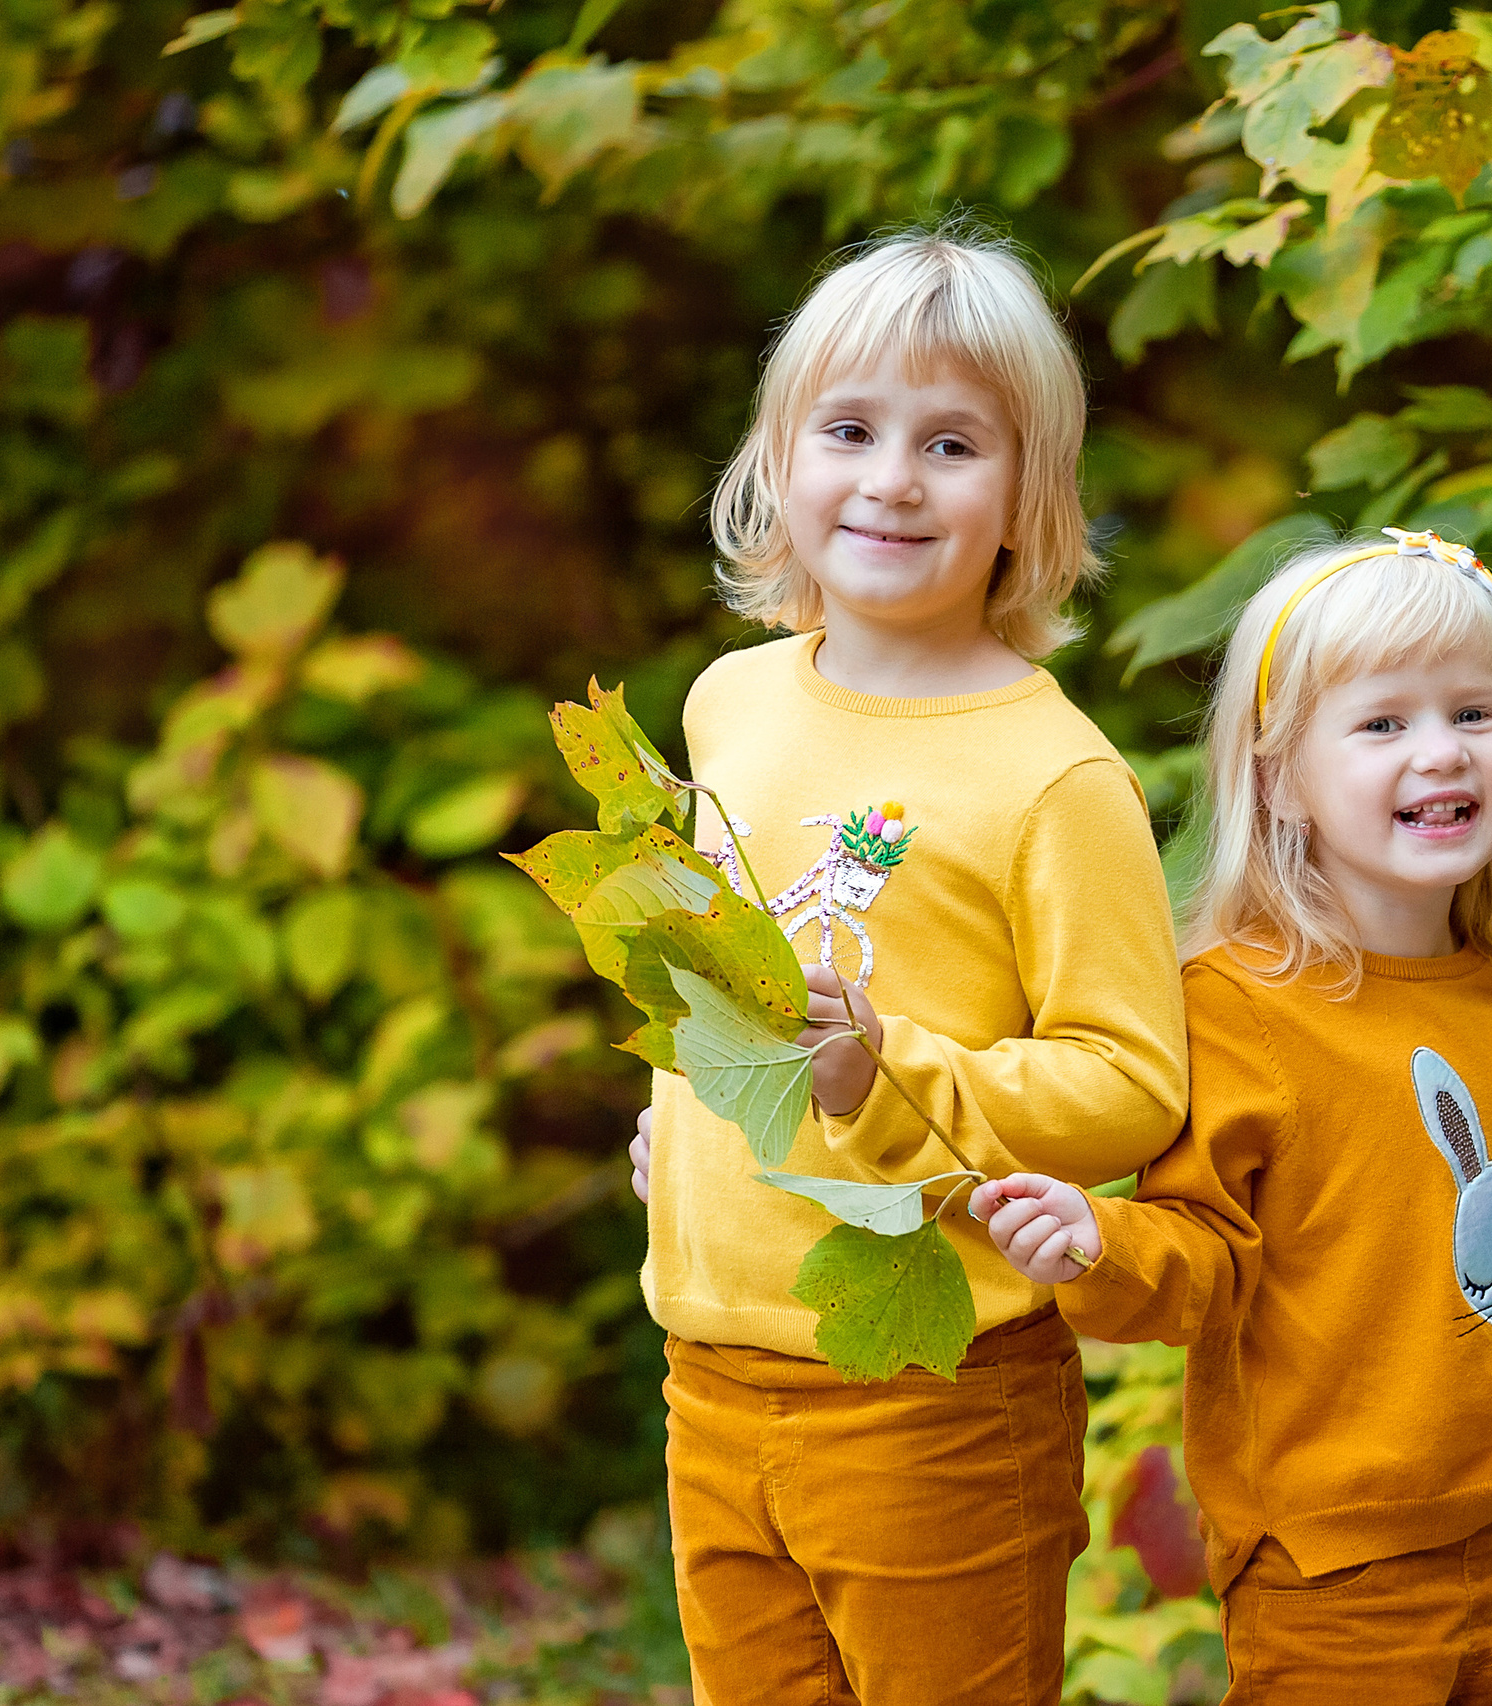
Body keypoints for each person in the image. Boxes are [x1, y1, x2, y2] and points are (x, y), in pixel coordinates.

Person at [630, 225, 1188, 1706]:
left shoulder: (1056, 777)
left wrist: (888, 1076)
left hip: (938, 1393)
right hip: (712, 1366)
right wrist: (681, 1122)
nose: (891, 479)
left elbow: (1131, 1084)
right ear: (780, 459)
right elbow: (719, 982)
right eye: (851, 430)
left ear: (1026, 499)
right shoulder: (728, 703)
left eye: (952, 444)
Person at [971, 528, 1492, 1704]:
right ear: (1277, 775)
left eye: (1474, 713)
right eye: (1382, 724)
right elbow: (1201, 1251)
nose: (1442, 753)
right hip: (1329, 1560)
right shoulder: (1235, 1008)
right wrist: (1092, 1242)